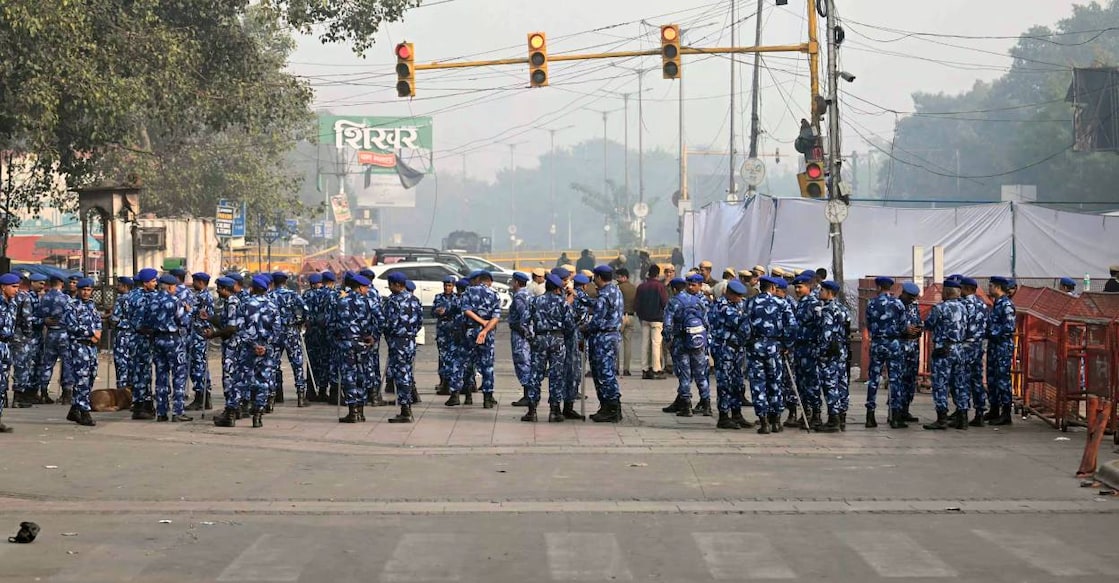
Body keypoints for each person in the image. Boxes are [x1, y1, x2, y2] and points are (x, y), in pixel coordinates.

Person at [744, 276, 791, 434]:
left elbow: (744, 325)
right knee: (775, 383)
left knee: (758, 384)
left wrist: (748, 341)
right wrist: (786, 345)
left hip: (755, 347)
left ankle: (763, 422)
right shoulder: (781, 303)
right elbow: (792, 325)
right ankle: (776, 421)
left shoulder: (750, 302)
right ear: (772, 288)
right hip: (774, 347)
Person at [662, 273, 712, 417]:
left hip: (681, 341)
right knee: (701, 374)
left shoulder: (674, 302)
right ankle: (706, 404)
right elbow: (706, 323)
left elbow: (667, 324)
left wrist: (668, 341)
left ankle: (686, 406)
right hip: (698, 342)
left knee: (685, 375)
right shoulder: (698, 301)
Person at [527, 274, 575, 422]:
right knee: (556, 375)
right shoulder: (563, 303)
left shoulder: (534, 301)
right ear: (556, 289)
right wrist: (563, 337)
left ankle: (532, 410)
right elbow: (570, 325)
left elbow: (524, 323)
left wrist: (532, 338)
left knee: (535, 374)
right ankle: (554, 410)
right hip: (557, 339)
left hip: (540, 339)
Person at [923, 280, 969, 430]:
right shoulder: (964, 308)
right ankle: (963, 417)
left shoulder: (940, 308)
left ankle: (942, 418)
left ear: (947, 292)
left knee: (940, 384)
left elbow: (929, 324)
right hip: (960, 348)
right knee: (960, 383)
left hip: (944, 350)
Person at [336, 274, 380, 423]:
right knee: (362, 375)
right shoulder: (368, 302)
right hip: (363, 343)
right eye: (366, 287)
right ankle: (361, 411)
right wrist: (373, 336)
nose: (367, 290)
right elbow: (380, 320)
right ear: (360, 288)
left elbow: (332, 323)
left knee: (349, 377)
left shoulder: (342, 301)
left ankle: (352, 411)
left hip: (346, 343)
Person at [864, 276, 906, 428]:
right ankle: (895, 416)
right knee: (895, 378)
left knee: (874, 379)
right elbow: (903, 326)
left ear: (879, 287)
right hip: (894, 343)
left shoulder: (871, 303)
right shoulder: (898, 303)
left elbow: (868, 324)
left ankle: (870, 416)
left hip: (877, 343)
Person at [709, 279, 751, 429]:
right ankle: (724, 416)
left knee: (737, 382)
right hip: (724, 348)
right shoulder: (723, 306)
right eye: (737, 295)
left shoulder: (737, 304)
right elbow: (739, 322)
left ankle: (737, 413)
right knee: (725, 383)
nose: (740, 298)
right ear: (729, 294)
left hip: (736, 349)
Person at [383, 274, 423, 423]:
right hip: (410, 341)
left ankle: (406, 410)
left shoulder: (393, 301)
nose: (390, 288)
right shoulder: (414, 300)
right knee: (407, 372)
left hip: (397, 342)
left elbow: (387, 323)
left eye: (390, 285)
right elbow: (419, 322)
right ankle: (406, 407)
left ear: (396, 285)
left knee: (400, 376)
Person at [586, 265, 624, 423]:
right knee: (607, 372)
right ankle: (609, 407)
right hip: (613, 335)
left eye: (595, 277)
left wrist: (585, 328)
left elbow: (597, 319)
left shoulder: (603, 295)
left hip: (603, 338)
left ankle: (611, 408)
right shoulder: (615, 291)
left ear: (600, 277)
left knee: (604, 373)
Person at [460, 270, 502, 408]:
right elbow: (496, 317)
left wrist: (480, 322)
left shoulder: (469, 292)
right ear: (489, 281)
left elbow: (466, 310)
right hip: (487, 333)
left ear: (478, 279)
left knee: (468, 364)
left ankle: (468, 396)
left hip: (470, 331)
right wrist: (485, 328)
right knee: (487, 365)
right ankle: (488, 398)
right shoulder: (494, 294)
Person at [240, 276, 278, 428]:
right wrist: (266, 345)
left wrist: (253, 345)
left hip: (249, 348)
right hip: (266, 349)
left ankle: (245, 405)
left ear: (252, 288)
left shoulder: (245, 304)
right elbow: (277, 329)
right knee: (264, 381)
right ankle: (258, 415)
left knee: (245, 378)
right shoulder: (272, 305)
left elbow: (240, 328)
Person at [63, 277, 100, 427]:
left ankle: (75, 408)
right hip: (78, 345)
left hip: (91, 346)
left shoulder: (92, 305)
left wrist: (97, 333)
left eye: (88, 290)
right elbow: (71, 326)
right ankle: (84, 412)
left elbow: (98, 322)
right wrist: (92, 332)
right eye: (83, 290)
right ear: (78, 290)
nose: (86, 293)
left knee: (91, 375)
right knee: (81, 378)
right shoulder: (71, 305)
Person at [814, 280, 850, 432]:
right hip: (841, 351)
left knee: (830, 385)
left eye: (822, 290)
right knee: (842, 383)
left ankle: (833, 419)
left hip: (829, 353)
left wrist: (821, 352)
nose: (819, 292)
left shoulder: (827, 309)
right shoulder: (843, 308)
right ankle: (842, 416)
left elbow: (826, 334)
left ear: (829, 292)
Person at [207, 277, 243, 427]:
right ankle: (234, 409)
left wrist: (213, 335)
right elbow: (224, 321)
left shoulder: (233, 303)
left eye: (219, 288)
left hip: (233, 346)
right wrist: (209, 318)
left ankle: (230, 414)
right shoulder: (228, 303)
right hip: (230, 345)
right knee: (232, 379)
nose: (218, 291)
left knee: (229, 379)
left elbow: (231, 328)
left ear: (224, 289)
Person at [269, 272, 308, 407]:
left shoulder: (270, 296)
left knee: (273, 364)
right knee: (297, 364)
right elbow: (305, 309)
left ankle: (273, 396)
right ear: (286, 281)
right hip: (291, 331)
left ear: (273, 282)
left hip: (276, 333)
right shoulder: (293, 295)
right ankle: (300, 396)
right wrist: (300, 321)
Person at [791, 275, 823, 430]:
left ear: (809, 287)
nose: (797, 290)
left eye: (800, 287)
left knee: (812, 382)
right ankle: (805, 412)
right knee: (801, 382)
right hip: (799, 348)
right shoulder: (800, 304)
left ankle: (816, 414)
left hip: (810, 348)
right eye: (796, 287)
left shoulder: (814, 304)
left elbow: (819, 327)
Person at [37, 274, 73, 405]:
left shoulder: (44, 297)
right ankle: (67, 393)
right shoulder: (65, 298)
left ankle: (44, 392)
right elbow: (71, 316)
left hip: (50, 333)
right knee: (67, 363)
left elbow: (40, 315)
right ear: (61, 283)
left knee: (47, 364)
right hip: (64, 333)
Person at [985, 276, 1016, 426]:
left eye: (990, 286)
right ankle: (994, 408)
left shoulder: (1006, 305)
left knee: (1003, 379)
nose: (988, 288)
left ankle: (1006, 413)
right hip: (994, 346)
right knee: (992, 378)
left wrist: (992, 333)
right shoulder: (997, 304)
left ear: (998, 287)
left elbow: (1009, 328)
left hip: (1002, 347)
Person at [11, 274, 46, 407]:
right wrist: (29, 333)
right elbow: (27, 319)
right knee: (22, 366)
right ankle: (18, 398)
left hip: (11, 334)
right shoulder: (23, 296)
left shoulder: (10, 297)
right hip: (22, 336)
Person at [128, 269, 159, 419]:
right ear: (146, 282)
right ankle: (142, 405)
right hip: (142, 339)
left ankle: (142, 403)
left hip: (139, 338)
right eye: (153, 281)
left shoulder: (134, 295)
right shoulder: (141, 297)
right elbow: (140, 323)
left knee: (141, 372)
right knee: (143, 372)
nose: (155, 283)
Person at [959, 277, 989, 427]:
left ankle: (963, 414)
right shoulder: (982, 305)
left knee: (963, 380)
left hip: (965, 346)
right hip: (978, 346)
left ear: (967, 289)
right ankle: (979, 413)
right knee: (977, 381)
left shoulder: (962, 305)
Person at [184, 273, 214, 411]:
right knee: (199, 366)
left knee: (198, 366)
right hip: (196, 335)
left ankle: (201, 397)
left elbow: (196, 315)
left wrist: (188, 309)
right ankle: (204, 397)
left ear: (200, 282)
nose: (193, 283)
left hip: (198, 336)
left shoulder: (202, 297)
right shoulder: (203, 295)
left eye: (194, 281)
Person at [896, 282, 924, 427]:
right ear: (904, 293)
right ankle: (896, 410)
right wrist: (904, 330)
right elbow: (890, 326)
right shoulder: (895, 305)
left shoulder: (914, 306)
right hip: (900, 346)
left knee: (910, 379)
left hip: (913, 347)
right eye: (910, 297)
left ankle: (906, 408)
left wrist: (918, 329)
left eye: (914, 298)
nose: (912, 300)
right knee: (898, 379)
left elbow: (918, 321)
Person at [507, 272, 535, 407]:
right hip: (526, 333)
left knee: (522, 362)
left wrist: (525, 332)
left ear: (517, 282)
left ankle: (528, 395)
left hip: (521, 335)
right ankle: (529, 394)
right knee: (527, 362)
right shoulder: (528, 294)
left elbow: (524, 317)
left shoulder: (519, 297)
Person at [0, 272, 21, 433]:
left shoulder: (13, 304)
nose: (16, 290)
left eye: (17, 287)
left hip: (6, 347)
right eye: (13, 287)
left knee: (2, 385)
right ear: (3, 287)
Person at [433, 275, 458, 396]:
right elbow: (433, 311)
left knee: (452, 357)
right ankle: (443, 381)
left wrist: (447, 312)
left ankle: (451, 382)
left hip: (453, 332)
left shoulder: (457, 298)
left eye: (449, 285)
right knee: (442, 357)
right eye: (445, 285)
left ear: (453, 286)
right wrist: (437, 311)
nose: (447, 288)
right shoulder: (438, 297)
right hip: (442, 332)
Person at [615, 267, 637, 377]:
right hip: (631, 316)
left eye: (619, 277)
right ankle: (626, 369)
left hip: (620, 317)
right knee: (628, 344)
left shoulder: (617, 288)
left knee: (616, 343)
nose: (617, 279)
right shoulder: (634, 288)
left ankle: (616, 368)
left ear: (624, 277)